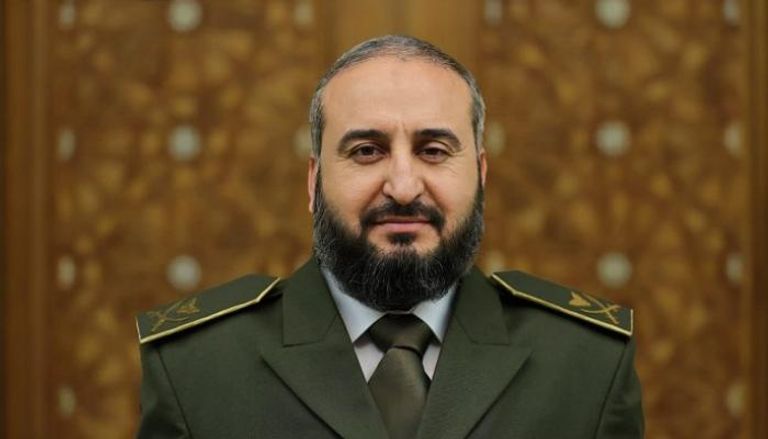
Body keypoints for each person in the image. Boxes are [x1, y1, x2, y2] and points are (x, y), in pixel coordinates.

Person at [136, 35, 644, 438]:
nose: (402, 187)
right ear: (313, 181)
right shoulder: (196, 367)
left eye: (434, 151)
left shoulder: (587, 365)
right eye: (366, 151)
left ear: (481, 174)